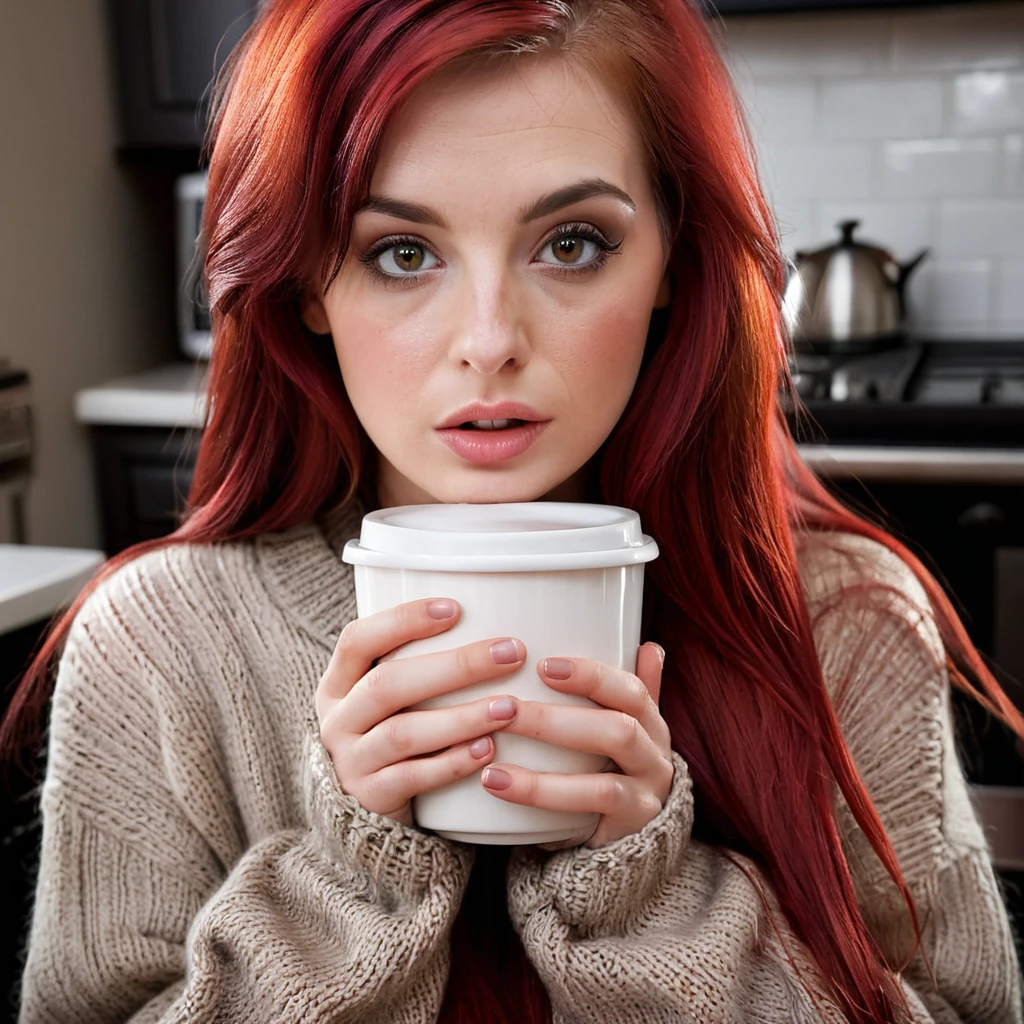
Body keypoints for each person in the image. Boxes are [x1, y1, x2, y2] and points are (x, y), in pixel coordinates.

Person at [5, 0, 1023, 1021]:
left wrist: (650, 904)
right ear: (308, 280)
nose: (488, 339)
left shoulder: (843, 622)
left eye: (571, 243)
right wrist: (349, 883)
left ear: (670, 255)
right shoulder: (158, 647)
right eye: (401, 252)